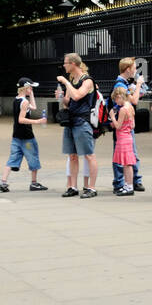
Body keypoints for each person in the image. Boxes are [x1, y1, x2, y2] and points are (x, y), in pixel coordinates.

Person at [55, 53, 98, 198]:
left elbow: (78, 95)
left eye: (65, 63)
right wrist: (61, 97)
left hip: (82, 122)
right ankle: (73, 186)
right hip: (70, 121)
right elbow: (68, 101)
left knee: (89, 155)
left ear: (73, 64)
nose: (64, 66)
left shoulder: (88, 81)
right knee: (72, 156)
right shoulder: (72, 80)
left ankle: (91, 188)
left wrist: (66, 83)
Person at [0, 78, 48, 193]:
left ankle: (3, 182)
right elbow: (21, 119)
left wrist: (32, 94)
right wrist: (38, 121)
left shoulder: (17, 100)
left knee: (12, 159)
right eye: (31, 87)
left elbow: (33, 107)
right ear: (26, 87)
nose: (31, 89)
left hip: (16, 137)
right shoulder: (24, 102)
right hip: (27, 138)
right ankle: (34, 183)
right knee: (33, 157)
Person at [109, 58, 146, 194]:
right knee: (124, 157)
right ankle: (123, 182)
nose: (135, 70)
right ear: (127, 69)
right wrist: (139, 85)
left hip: (123, 128)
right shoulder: (121, 85)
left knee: (127, 156)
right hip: (123, 128)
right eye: (134, 67)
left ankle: (130, 181)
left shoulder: (125, 83)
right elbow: (134, 101)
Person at [109, 85, 137, 195]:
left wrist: (112, 116)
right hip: (128, 136)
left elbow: (118, 126)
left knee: (127, 164)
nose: (116, 102)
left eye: (116, 99)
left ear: (120, 96)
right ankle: (127, 185)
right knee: (127, 163)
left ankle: (129, 186)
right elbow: (133, 125)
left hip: (122, 138)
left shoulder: (123, 110)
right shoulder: (130, 107)